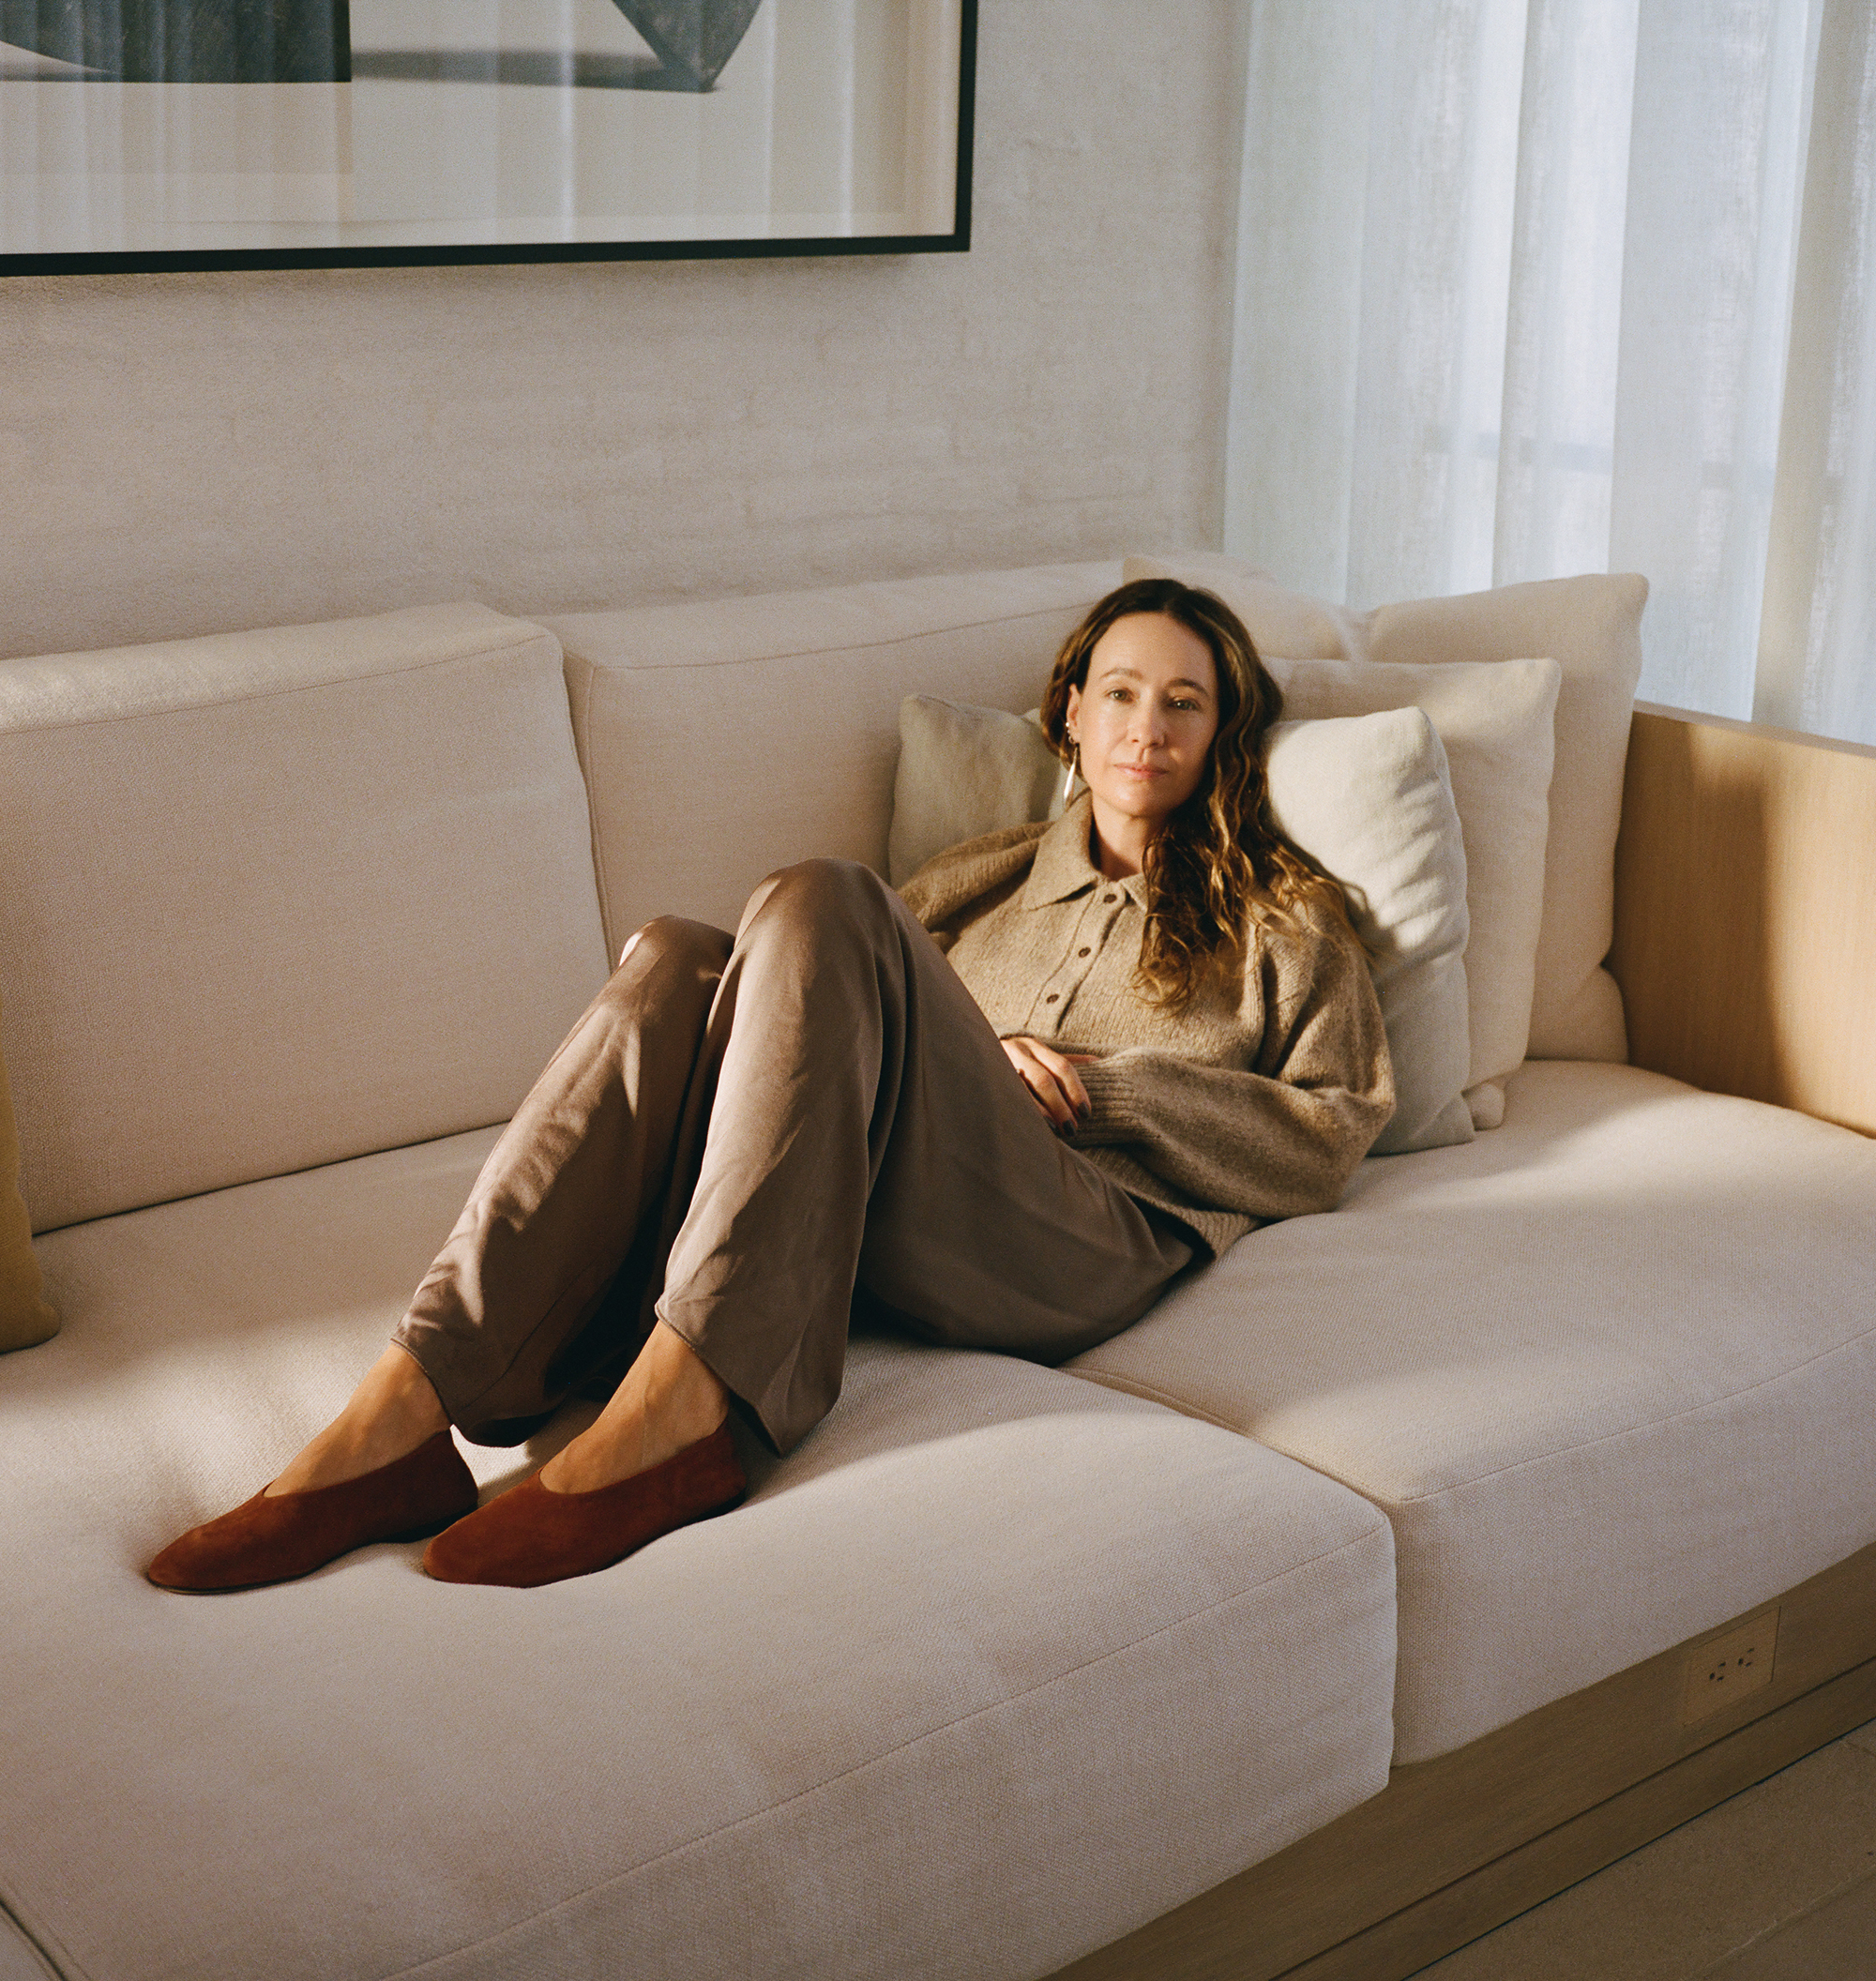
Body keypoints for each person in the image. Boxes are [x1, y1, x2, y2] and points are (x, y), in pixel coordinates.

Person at [146, 579, 1393, 1595]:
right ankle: (408, 1406)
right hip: (900, 1207)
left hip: (1081, 1235)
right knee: (677, 960)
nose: (1146, 726)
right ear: (1069, 712)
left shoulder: (1282, 914)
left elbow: (1336, 1126)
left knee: (832, 895)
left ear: (1221, 731)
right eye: (1120, 692)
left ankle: (687, 1405)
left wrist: (1108, 1088)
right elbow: (824, 1022)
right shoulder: (985, 876)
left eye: (1184, 702)